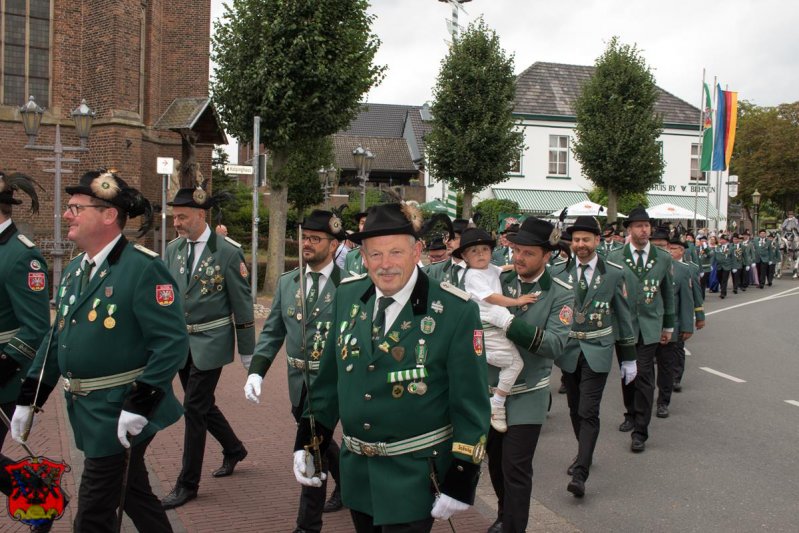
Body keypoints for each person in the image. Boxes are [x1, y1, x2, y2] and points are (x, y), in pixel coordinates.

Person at [292, 203, 489, 532]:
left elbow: (470, 402)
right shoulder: (347, 296)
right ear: (363, 257)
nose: (385, 265)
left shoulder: (455, 311)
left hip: (414, 475)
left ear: (417, 252)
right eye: (375, 255)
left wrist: (462, 475)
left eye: (395, 252)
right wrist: (309, 441)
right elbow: (326, 383)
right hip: (358, 473)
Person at [11, 169, 188, 532]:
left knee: (93, 515)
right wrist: (31, 395)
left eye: (76, 207)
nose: (66, 215)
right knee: (135, 493)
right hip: (88, 410)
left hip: (118, 409)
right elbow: (57, 338)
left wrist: (141, 402)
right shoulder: (76, 269)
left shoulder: (143, 268)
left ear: (109, 215)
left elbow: (171, 343)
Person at [244, 210, 346, 532]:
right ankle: (345, 483)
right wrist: (256, 371)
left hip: (334, 385)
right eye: (305, 237)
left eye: (316, 239)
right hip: (298, 384)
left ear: (334, 245)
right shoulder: (289, 283)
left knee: (310, 449)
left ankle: (307, 525)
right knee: (320, 440)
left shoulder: (350, 287)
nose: (307, 244)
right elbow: (273, 331)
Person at [160, 187, 254, 510]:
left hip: (212, 342)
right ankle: (233, 447)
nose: (177, 223)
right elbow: (167, 296)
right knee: (201, 404)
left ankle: (187, 484)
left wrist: (247, 350)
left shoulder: (226, 252)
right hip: (182, 344)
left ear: (201, 215)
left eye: (183, 217)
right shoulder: (172, 250)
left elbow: (242, 303)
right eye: (175, 217)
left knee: (193, 409)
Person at [481, 217, 574, 533]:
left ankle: (514, 527)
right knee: (494, 463)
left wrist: (510, 325)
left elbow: (555, 344)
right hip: (491, 392)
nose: (518, 258)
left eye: (527, 253)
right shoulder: (498, 281)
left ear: (547, 255)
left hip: (528, 394)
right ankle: (505, 513)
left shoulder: (559, 293)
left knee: (515, 467)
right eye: (515, 249)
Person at [558, 216, 637, 498]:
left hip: (598, 350)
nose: (580, 245)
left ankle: (580, 472)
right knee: (574, 408)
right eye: (576, 240)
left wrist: (628, 357)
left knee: (588, 410)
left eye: (586, 240)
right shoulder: (559, 271)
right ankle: (585, 453)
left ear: (597, 241)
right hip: (568, 352)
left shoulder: (614, 273)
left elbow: (624, 317)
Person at [0, 172, 51, 518]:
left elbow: (36, 328)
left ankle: (39, 496)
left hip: (4, 374)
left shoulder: (22, 256)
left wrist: (2, 365)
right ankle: (38, 494)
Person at [452, 228, 536, 433]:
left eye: (484, 249)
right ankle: (496, 404)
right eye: (473, 251)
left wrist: (519, 266)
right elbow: (491, 298)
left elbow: (503, 269)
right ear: (464, 256)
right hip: (487, 328)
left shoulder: (490, 269)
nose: (480, 254)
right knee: (516, 363)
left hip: (494, 326)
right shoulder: (472, 276)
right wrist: (517, 301)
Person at [607, 206, 675, 453]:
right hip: (623, 326)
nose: (644, 229)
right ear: (629, 229)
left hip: (649, 326)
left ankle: (640, 432)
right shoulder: (614, 257)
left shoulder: (663, 257)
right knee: (628, 373)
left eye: (647, 225)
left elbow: (667, 294)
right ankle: (630, 413)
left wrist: (668, 325)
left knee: (644, 374)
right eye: (638, 225)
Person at [649, 228, 694, 419]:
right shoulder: (645, 266)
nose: (659, 249)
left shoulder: (682, 270)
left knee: (666, 367)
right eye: (655, 246)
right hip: (646, 326)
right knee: (644, 368)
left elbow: (686, 300)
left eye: (662, 246)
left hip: (670, 326)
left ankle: (663, 402)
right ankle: (642, 400)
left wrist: (686, 326)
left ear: (669, 247)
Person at [669, 234, 705, 393]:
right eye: (668, 248)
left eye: (673, 249)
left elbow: (697, 294)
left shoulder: (691, 268)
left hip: (681, 315)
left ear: (682, 251)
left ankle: (676, 378)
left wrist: (699, 317)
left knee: (678, 348)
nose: (670, 251)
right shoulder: (662, 265)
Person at [425, 218, 469, 284]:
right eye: (447, 237)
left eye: (453, 238)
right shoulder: (434, 270)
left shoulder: (482, 270)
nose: (447, 242)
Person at [344, 211, 369, 275]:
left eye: (369, 223)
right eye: (362, 223)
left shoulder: (384, 256)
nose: (364, 227)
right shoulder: (350, 256)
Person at [714, 234, 735, 298]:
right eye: (721, 239)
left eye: (723, 240)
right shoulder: (717, 247)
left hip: (727, 266)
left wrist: (734, 266)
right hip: (719, 265)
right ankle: (723, 288)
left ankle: (723, 293)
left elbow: (733, 258)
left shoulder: (731, 248)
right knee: (719, 278)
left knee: (724, 279)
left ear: (726, 241)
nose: (721, 241)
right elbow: (714, 256)